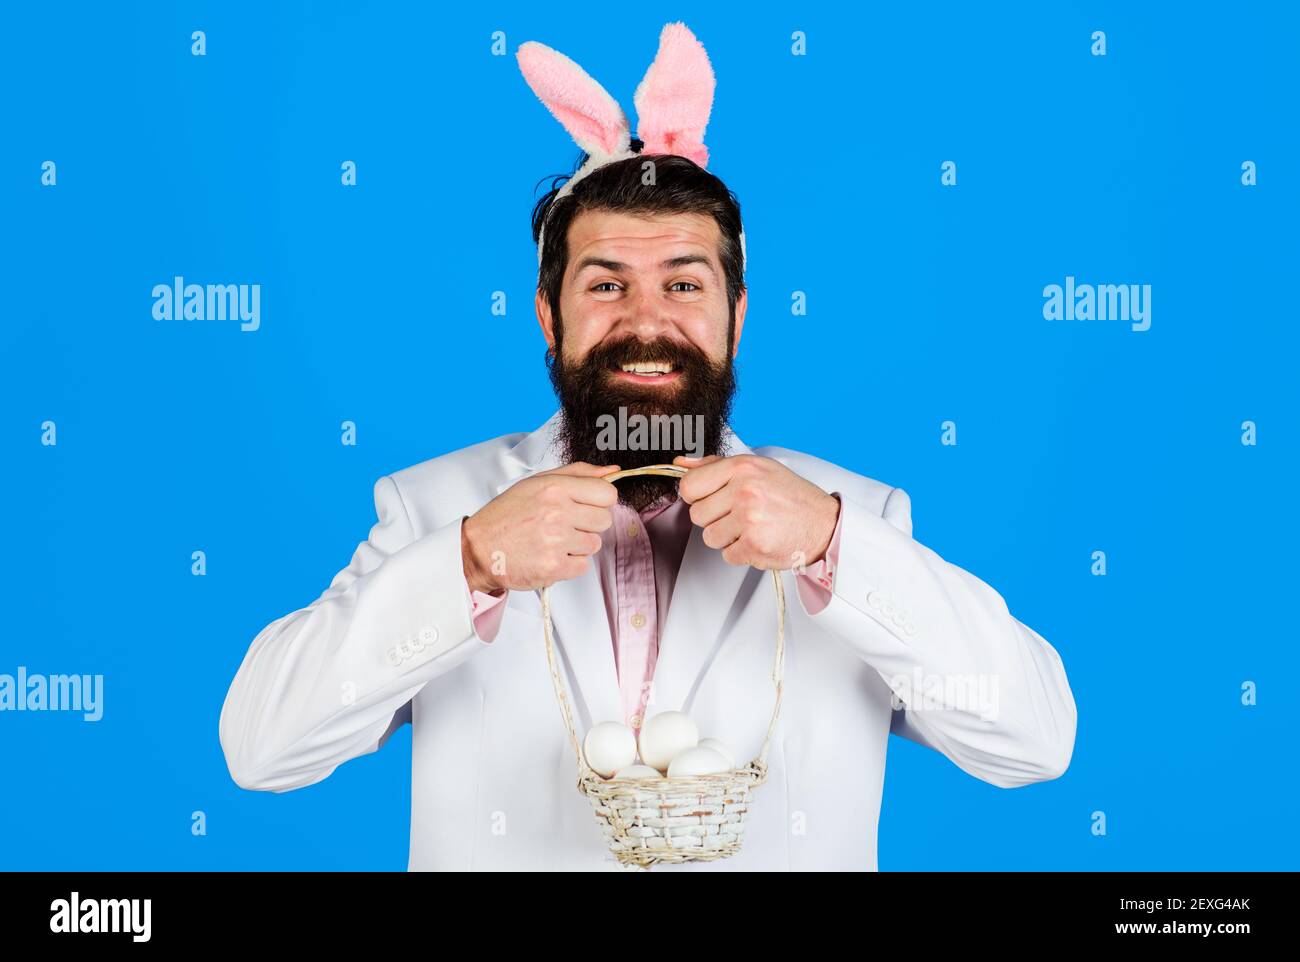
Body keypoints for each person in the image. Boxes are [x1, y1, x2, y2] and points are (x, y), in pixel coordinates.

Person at [218, 23, 1077, 871]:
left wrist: (832, 545)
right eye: (604, 285)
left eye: (684, 283)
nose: (646, 323)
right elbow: (262, 748)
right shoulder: (438, 510)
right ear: (549, 319)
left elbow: (1035, 740)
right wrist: (471, 562)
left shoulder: (852, 518)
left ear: (735, 318)